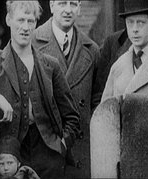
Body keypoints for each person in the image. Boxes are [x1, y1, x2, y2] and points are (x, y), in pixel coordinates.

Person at [0, 1, 81, 178]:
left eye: (30, 21)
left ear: (36, 24)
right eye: (20, 20)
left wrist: (62, 145)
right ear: (8, 20)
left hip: (47, 157)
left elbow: (72, 116)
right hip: (8, 159)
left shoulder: (50, 65)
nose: (25, 27)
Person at [32, 0, 100, 178]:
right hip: (42, 151)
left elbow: (97, 101)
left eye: (73, 3)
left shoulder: (92, 50)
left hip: (80, 153)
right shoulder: (31, 41)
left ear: (79, 8)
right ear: (52, 5)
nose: (68, 10)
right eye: (62, 3)